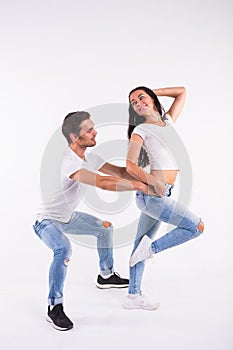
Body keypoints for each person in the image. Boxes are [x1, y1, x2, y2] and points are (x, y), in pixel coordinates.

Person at [33, 111, 152, 330]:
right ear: (74, 138)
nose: (95, 132)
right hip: (47, 222)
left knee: (105, 228)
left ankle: (105, 275)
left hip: (68, 218)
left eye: (93, 127)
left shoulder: (90, 157)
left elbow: (118, 172)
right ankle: (54, 306)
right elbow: (103, 183)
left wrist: (147, 177)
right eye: (89, 130)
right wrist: (142, 187)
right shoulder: (68, 163)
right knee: (63, 249)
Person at [122, 86, 204, 310]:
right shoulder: (141, 129)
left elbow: (182, 92)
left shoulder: (168, 122)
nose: (138, 103)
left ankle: (133, 297)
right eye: (133, 102)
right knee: (196, 227)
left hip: (160, 194)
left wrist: (151, 92)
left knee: (140, 243)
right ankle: (152, 250)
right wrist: (154, 180)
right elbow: (129, 165)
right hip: (153, 195)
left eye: (141, 97)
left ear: (152, 99)